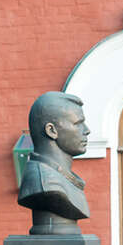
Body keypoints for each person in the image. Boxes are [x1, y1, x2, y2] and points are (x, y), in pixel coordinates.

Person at [18, 91, 90, 234]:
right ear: (51, 130)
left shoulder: (63, 179)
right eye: (78, 124)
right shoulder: (45, 184)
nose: (87, 131)